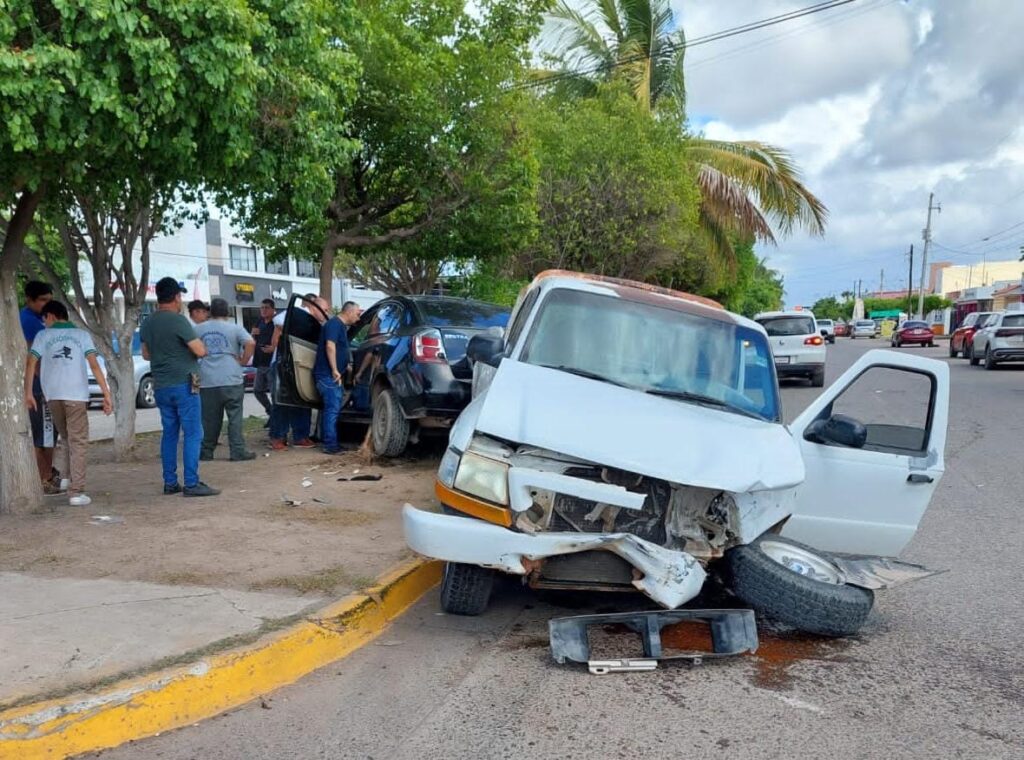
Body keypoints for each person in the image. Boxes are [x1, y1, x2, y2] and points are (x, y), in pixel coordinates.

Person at [24, 301, 112, 506]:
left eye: (44, 319)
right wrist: (106, 393)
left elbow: (31, 362)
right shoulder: (81, 335)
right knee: (78, 441)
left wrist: (28, 392)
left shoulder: (43, 336)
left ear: (51, 316)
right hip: (76, 395)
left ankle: (65, 478)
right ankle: (76, 491)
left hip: (52, 395)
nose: (44, 323)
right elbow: (94, 365)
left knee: (64, 437)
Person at [140, 277, 219, 497]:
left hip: (161, 385)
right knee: (194, 433)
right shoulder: (179, 321)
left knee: (170, 434)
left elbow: (146, 353)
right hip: (184, 384)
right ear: (176, 297)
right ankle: (192, 483)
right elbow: (200, 350)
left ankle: (170, 482)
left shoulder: (148, 322)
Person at [195, 298, 256, 461]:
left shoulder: (198, 329)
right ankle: (237, 451)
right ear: (227, 312)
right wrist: (243, 360)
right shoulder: (235, 328)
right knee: (235, 417)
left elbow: (191, 348)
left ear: (210, 312)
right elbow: (251, 342)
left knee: (209, 419)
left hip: (208, 379)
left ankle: (206, 451)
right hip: (232, 378)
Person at [267, 294, 329, 452]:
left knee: (302, 400)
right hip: (283, 365)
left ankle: (300, 436)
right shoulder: (295, 313)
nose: (326, 314)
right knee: (282, 402)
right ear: (315, 307)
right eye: (325, 310)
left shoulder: (313, 325)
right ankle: (277, 437)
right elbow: (278, 322)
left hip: (298, 365)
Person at [20, 280, 63, 493]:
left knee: (49, 433)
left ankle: (48, 473)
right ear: (30, 300)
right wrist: (45, 383)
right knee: (44, 434)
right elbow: (32, 358)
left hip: (46, 383)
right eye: (43, 300)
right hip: (40, 385)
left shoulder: (41, 318)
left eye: (49, 300)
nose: (47, 304)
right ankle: (44, 478)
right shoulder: (28, 321)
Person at [314, 301, 363, 454]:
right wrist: (335, 370)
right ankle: (330, 445)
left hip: (332, 376)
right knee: (332, 410)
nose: (358, 318)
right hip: (328, 376)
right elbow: (330, 346)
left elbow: (339, 348)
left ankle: (330, 442)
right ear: (348, 312)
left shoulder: (339, 326)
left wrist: (345, 367)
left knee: (331, 410)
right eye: (357, 314)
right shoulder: (334, 325)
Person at [250, 298, 277, 422]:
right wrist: (253, 335)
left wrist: (274, 347)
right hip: (260, 362)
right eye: (262, 308)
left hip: (272, 363)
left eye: (266, 308)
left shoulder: (277, 323)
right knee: (257, 390)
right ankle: (271, 412)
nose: (264, 310)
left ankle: (276, 419)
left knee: (274, 393)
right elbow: (253, 339)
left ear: (273, 309)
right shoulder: (259, 321)